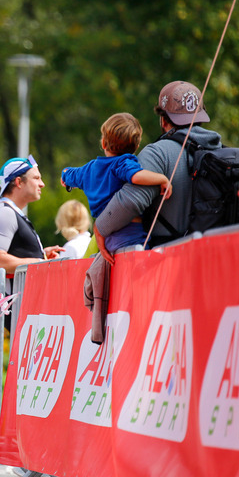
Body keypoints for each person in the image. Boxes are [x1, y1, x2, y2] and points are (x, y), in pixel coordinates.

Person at [62, 112, 173, 344]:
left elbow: (69, 175)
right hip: (131, 241)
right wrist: (162, 179)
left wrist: (65, 178)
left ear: (103, 143)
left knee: (117, 302)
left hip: (108, 245)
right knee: (139, 300)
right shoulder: (123, 163)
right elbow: (137, 177)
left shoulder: (89, 169)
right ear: (136, 146)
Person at [93, 81, 223, 258]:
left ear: (163, 120)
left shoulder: (158, 153)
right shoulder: (220, 151)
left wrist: (100, 227)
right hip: (214, 256)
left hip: (168, 259)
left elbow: (131, 201)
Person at [0, 156, 64, 298]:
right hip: (17, 307)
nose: (42, 184)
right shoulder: (4, 213)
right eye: (36, 178)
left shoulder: (9, 213)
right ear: (19, 182)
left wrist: (40, 254)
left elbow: (12, 255)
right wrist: (41, 262)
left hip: (24, 305)